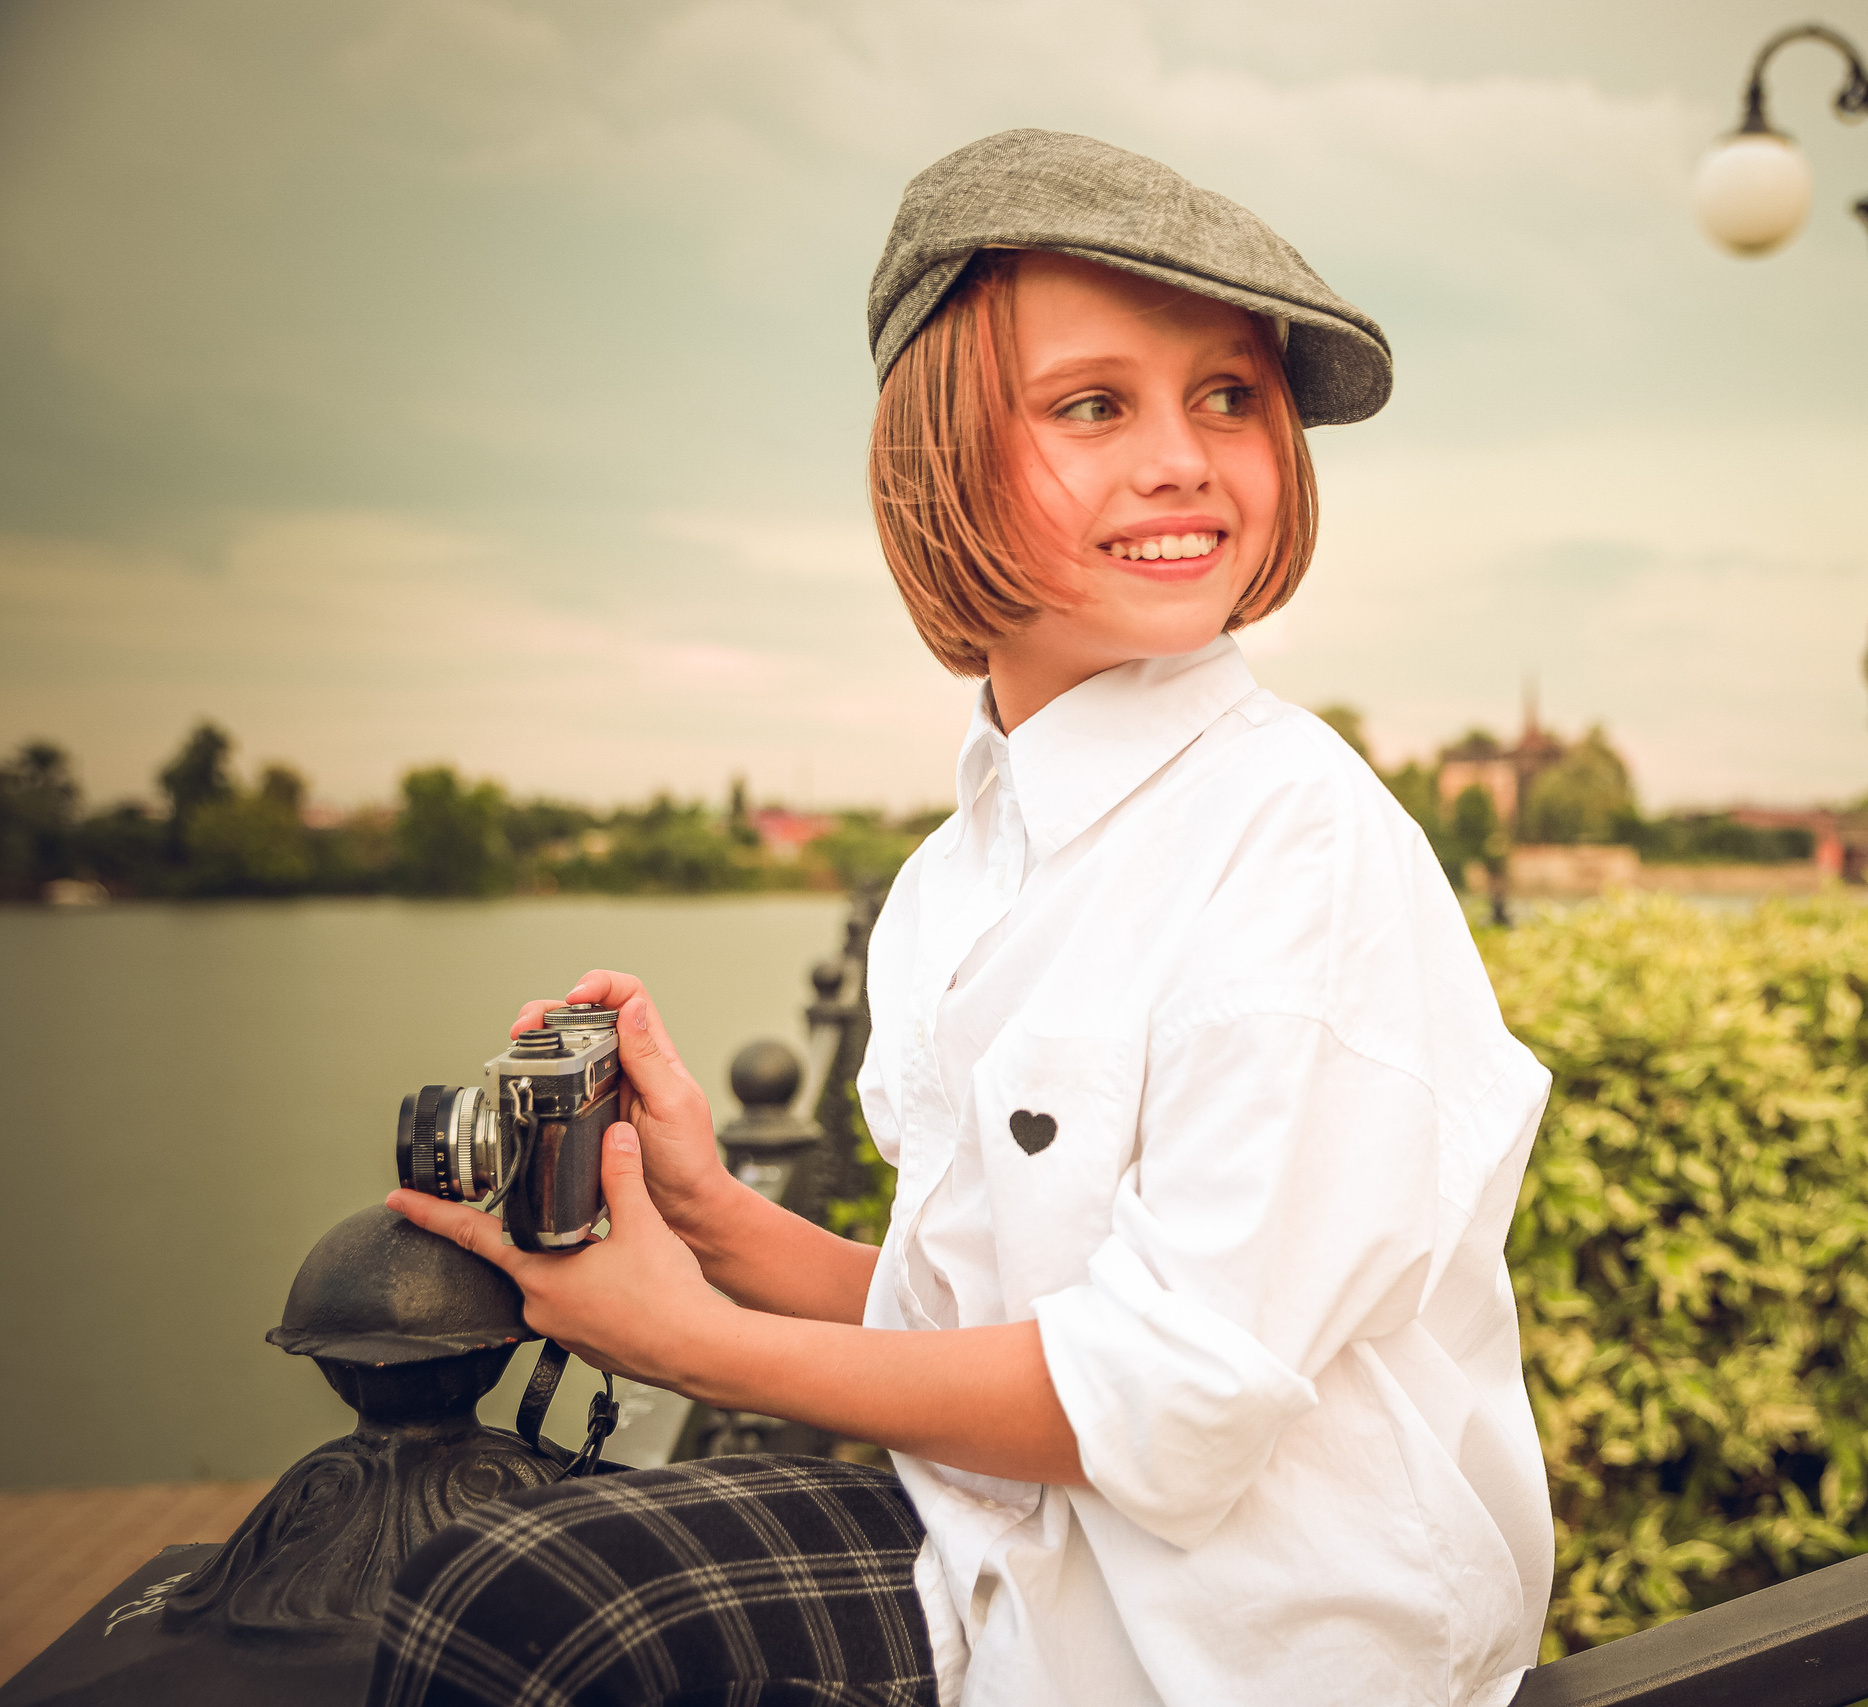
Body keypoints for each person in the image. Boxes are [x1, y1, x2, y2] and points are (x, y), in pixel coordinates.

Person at [372, 128, 1553, 1707]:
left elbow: (1164, 1401)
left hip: (1238, 1651)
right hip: (1019, 1561)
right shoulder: (961, 878)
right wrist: (719, 1224)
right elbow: (978, 1323)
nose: (1186, 458)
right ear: (938, 461)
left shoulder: (1299, 843)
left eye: (1230, 397)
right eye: (1092, 405)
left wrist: (690, 1343)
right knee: (508, 1591)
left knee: (528, 1615)